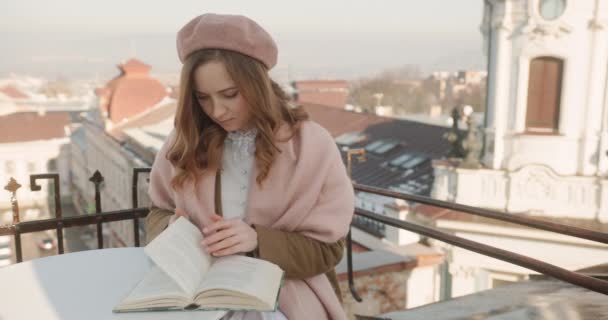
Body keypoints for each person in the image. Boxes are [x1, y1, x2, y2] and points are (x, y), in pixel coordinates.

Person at [145, 13, 355, 320]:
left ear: (257, 84)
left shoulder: (311, 145)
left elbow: (328, 251)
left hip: (283, 297)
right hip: (198, 293)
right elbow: (158, 212)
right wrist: (171, 231)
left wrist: (258, 240)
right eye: (203, 98)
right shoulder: (183, 142)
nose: (217, 110)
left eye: (230, 94)